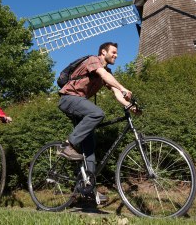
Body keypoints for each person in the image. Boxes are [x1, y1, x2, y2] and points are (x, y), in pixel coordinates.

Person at [57, 42, 138, 202]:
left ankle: (87, 190)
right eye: (113, 52)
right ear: (103, 51)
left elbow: (115, 92)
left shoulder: (107, 72)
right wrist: (123, 87)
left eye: (116, 53)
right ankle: (67, 145)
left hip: (79, 105)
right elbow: (107, 78)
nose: (116, 55)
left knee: (90, 150)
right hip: (68, 98)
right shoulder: (94, 60)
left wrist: (129, 105)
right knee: (97, 113)